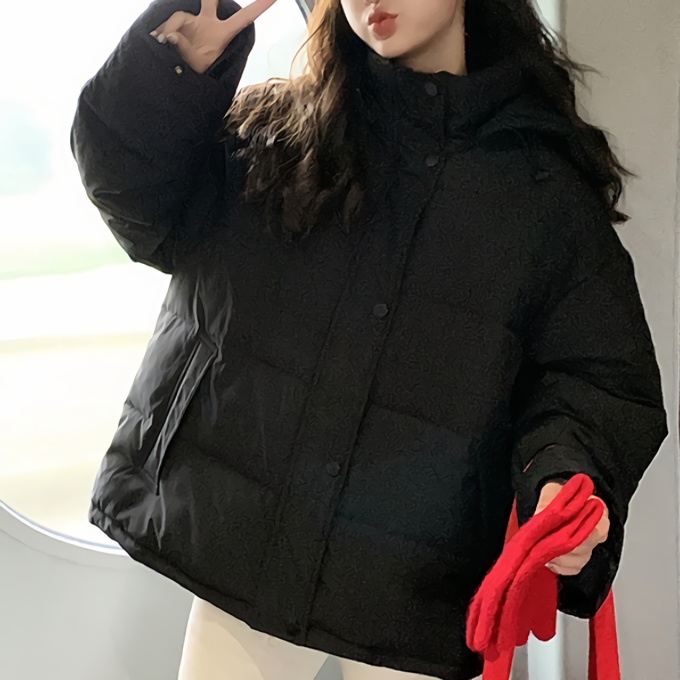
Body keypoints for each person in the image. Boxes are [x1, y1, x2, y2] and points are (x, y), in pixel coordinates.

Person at [70, 0, 669, 678]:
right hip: (246, 558)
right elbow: (140, 206)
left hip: (414, 588)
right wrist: (169, 69)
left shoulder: (542, 193)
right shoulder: (279, 136)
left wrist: (562, 477)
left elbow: (595, 376)